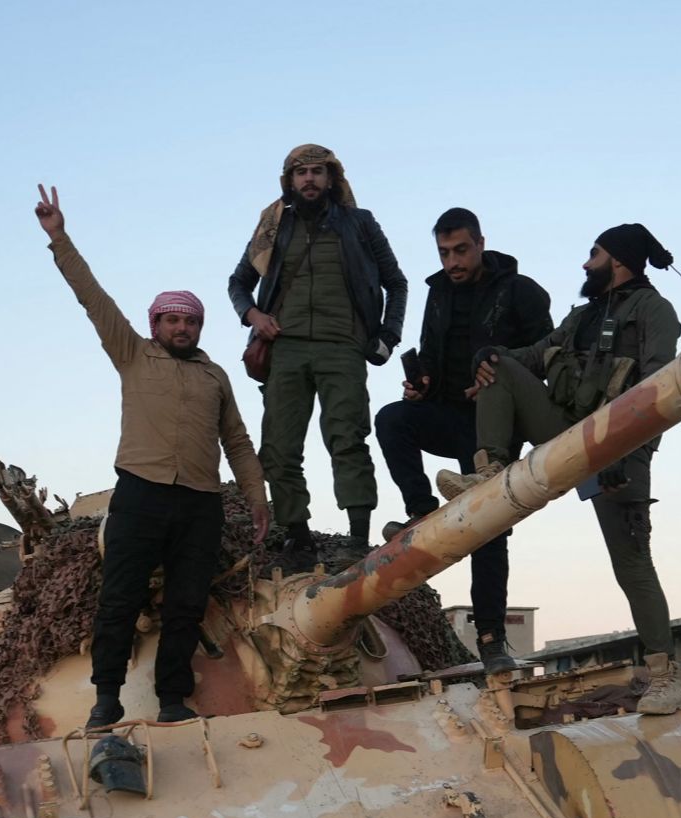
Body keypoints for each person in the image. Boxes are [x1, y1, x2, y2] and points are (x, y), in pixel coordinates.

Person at [33, 184, 271, 730]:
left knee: (187, 606)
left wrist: (257, 499)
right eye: (172, 320)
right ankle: (106, 698)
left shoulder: (215, 376)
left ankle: (172, 698)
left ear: (199, 328)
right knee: (119, 599)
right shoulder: (133, 354)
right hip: (140, 494)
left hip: (200, 504)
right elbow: (93, 298)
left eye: (190, 321)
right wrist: (59, 238)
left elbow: (237, 442)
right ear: (155, 324)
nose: (181, 328)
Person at [437, 223, 681, 713]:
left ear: (618, 260)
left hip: (619, 443)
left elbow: (661, 387)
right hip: (565, 430)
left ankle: (665, 676)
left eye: (592, 254)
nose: (584, 264)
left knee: (631, 563)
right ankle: (488, 471)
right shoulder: (583, 316)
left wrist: (623, 446)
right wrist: (490, 358)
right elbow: (530, 357)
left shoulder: (655, 312)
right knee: (498, 363)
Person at [373, 208, 551, 673]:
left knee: (487, 530)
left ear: (481, 243)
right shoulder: (436, 294)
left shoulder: (521, 291)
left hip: (493, 429)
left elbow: (550, 356)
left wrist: (499, 364)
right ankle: (421, 512)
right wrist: (421, 383)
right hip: (447, 414)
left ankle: (492, 641)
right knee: (392, 419)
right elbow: (431, 352)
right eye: (444, 252)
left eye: (460, 250)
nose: (452, 261)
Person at [228, 144, 407, 568]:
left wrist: (387, 337)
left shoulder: (359, 224)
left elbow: (396, 282)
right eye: (301, 172)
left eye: (317, 171)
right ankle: (297, 535)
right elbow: (238, 283)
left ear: (331, 178)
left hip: (342, 345)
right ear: (289, 181)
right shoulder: (275, 226)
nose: (309, 179)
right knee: (278, 447)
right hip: (285, 348)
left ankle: (357, 538)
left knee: (347, 439)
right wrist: (253, 315)